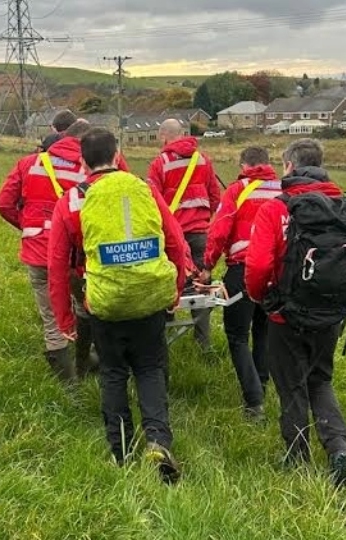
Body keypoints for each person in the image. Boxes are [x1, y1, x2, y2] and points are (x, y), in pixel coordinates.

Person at [47, 127, 187, 483]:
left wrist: (65, 317)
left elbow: (58, 266)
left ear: (82, 161)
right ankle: (157, 441)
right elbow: (175, 242)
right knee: (151, 369)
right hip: (150, 298)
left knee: (112, 373)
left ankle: (121, 451)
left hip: (104, 303)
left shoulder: (72, 201)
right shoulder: (144, 189)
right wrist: (174, 292)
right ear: (118, 154)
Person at [244, 138, 346, 486]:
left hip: (286, 314)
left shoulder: (277, 208)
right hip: (332, 310)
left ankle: (297, 458)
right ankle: (338, 446)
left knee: (290, 385)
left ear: (289, 166)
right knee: (320, 380)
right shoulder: (342, 206)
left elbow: (259, 265)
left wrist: (262, 298)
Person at [0, 119, 117, 382]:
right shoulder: (91, 168)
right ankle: (85, 364)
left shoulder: (29, 164)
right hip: (79, 255)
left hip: (38, 252)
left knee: (51, 320)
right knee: (86, 307)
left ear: (62, 136)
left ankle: (69, 387)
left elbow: (4, 203)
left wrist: (30, 226)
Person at [199, 147, 280, 421]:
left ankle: (254, 401)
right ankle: (262, 386)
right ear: (269, 164)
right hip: (276, 273)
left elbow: (219, 230)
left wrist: (207, 266)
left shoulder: (237, 190)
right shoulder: (283, 190)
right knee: (264, 332)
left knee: (237, 335)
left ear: (243, 165)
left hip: (242, 270)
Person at [147, 118, 221, 351]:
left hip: (172, 239)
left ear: (163, 136)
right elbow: (215, 196)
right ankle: (203, 343)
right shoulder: (203, 161)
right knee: (201, 285)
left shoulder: (160, 163)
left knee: (168, 285)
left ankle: (166, 337)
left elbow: (152, 202)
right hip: (200, 234)